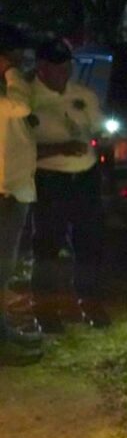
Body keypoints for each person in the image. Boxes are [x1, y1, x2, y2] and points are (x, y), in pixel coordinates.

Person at [30, 39, 110, 332]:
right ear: (41, 67)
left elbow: (100, 128)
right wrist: (59, 149)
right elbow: (18, 150)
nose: (64, 74)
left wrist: (104, 140)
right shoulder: (26, 101)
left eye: (67, 68)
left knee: (89, 243)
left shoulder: (83, 95)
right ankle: (46, 313)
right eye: (57, 69)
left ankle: (90, 304)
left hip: (85, 177)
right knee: (48, 247)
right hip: (49, 180)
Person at [0, 26, 42, 365]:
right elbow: (20, 107)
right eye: (13, 57)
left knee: (4, 269)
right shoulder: (10, 92)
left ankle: (4, 331)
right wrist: (11, 72)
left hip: (13, 189)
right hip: (4, 192)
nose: (18, 63)